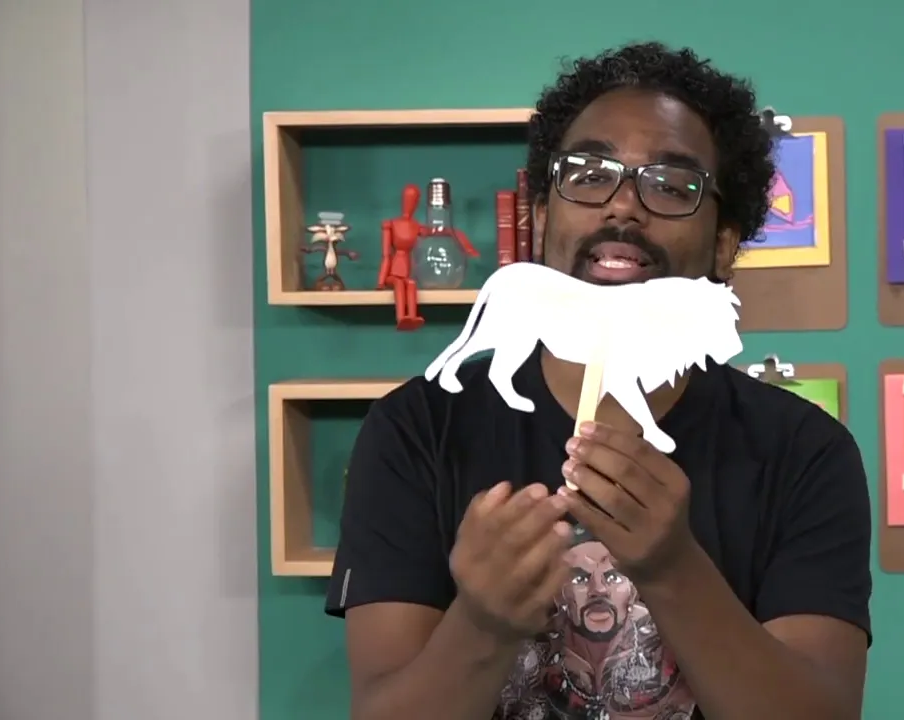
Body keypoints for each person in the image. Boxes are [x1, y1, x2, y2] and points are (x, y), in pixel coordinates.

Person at [325, 41, 873, 720]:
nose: (623, 207)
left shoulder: (804, 452)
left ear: (725, 243)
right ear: (542, 216)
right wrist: (482, 622)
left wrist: (673, 568)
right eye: (588, 175)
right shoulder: (416, 431)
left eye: (671, 185)